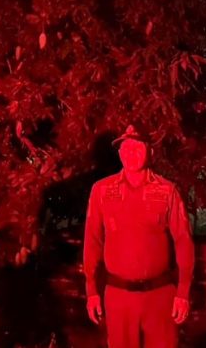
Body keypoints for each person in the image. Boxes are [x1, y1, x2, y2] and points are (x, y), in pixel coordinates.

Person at [83, 125, 194, 348]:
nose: (131, 154)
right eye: (126, 148)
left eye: (138, 148)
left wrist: (183, 292)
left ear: (150, 152)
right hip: (119, 297)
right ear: (119, 153)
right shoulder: (102, 191)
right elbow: (92, 240)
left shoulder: (167, 191)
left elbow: (183, 241)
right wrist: (92, 290)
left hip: (159, 296)